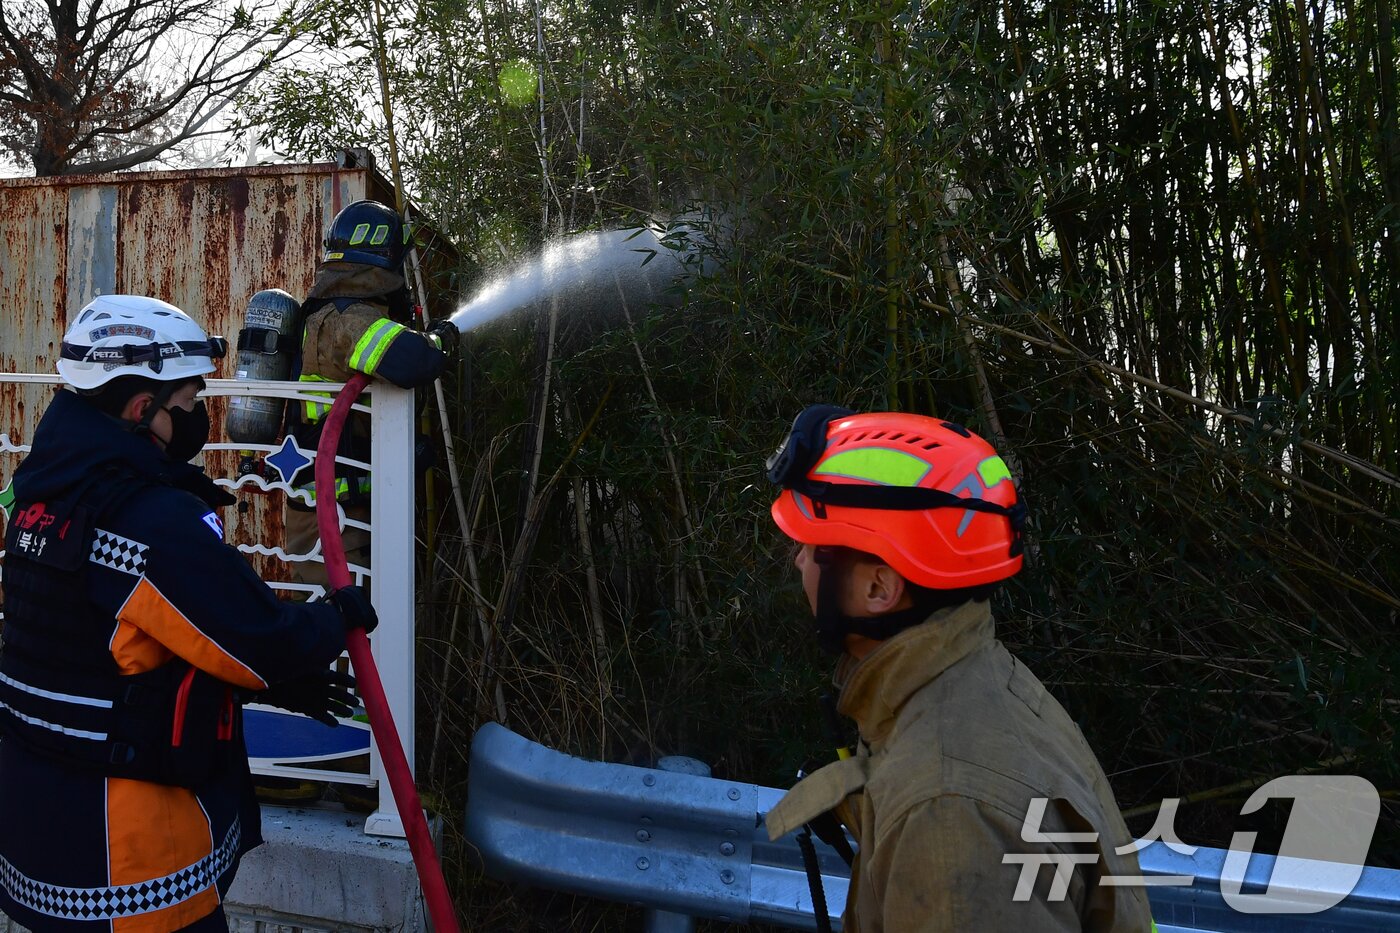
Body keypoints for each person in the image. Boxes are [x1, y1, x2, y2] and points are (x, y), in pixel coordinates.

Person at [0, 295, 378, 932]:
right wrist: (335, 616)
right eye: (187, 403)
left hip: (37, 846)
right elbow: (258, 641)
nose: (199, 418)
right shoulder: (148, 519)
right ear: (141, 408)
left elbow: (111, 640)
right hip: (130, 873)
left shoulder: (37, 496)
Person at [762, 406, 1155, 932]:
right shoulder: (974, 675)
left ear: (879, 588)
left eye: (811, 545)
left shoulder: (947, 814)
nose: (797, 561)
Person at [283, 199, 458, 588]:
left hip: (336, 506)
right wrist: (440, 340)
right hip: (332, 516)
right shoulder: (350, 318)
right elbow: (412, 360)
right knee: (341, 632)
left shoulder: (332, 313)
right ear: (384, 258)